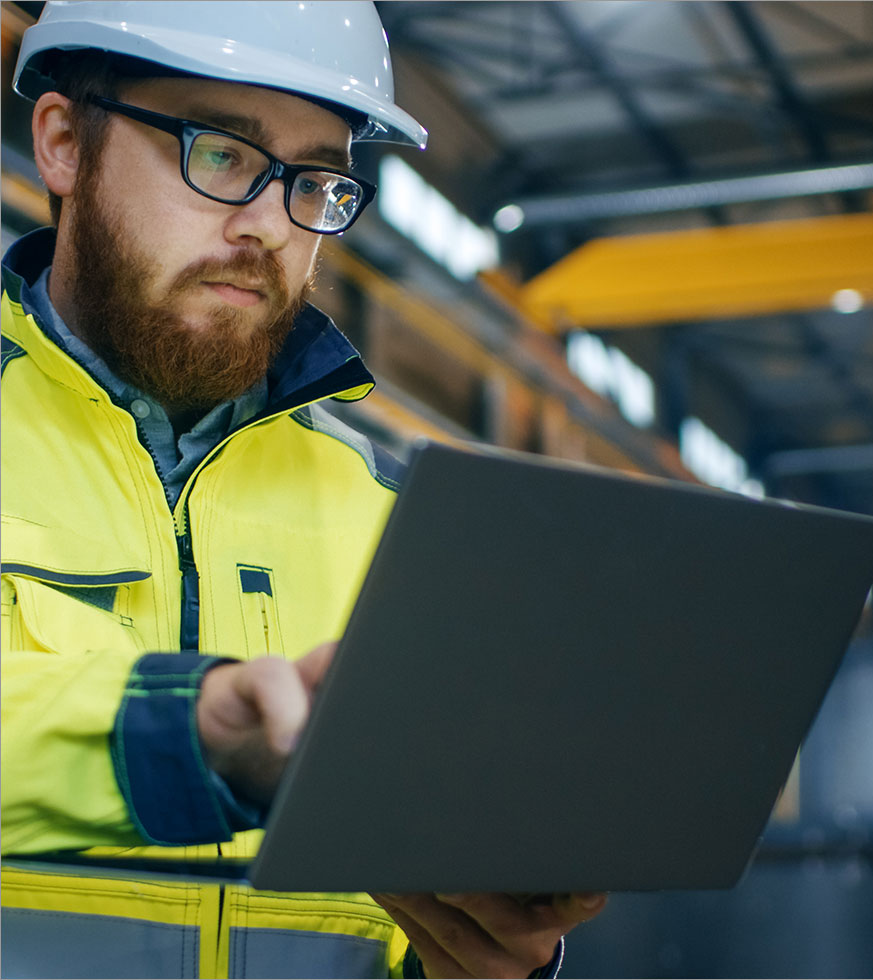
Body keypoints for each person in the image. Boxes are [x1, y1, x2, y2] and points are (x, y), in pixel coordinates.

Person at [0, 3, 607, 977]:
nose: (267, 227)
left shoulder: (395, 519)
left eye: (314, 181)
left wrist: (490, 956)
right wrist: (188, 732)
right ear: (65, 143)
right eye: (222, 154)